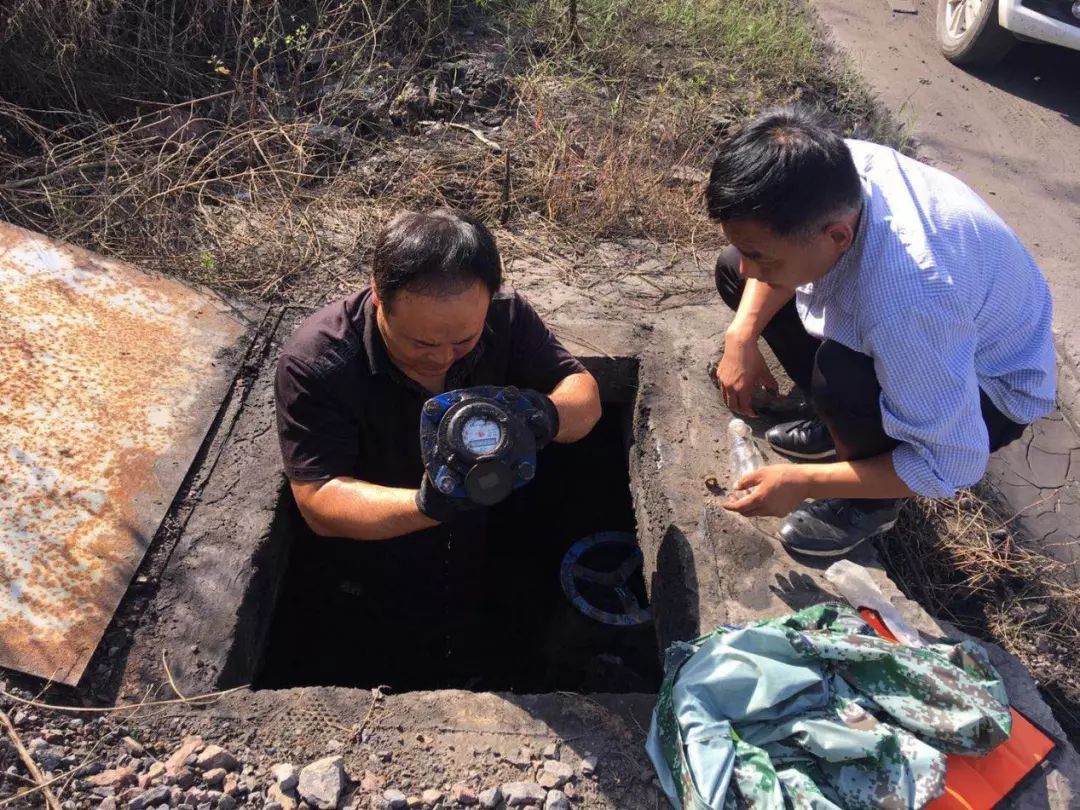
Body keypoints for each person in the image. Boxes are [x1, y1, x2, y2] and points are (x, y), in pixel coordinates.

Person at [273, 209, 601, 686]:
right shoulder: (316, 363)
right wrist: (429, 506)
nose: (443, 357)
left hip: (483, 553)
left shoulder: (506, 315)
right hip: (370, 569)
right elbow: (318, 500)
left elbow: (583, 395)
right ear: (378, 295)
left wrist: (544, 416)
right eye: (421, 344)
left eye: (464, 340)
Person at [708, 106, 1055, 557]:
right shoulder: (828, 169)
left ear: (836, 238)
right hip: (935, 329)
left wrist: (803, 484)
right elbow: (752, 268)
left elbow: (952, 463)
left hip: (987, 387)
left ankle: (870, 504)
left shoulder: (910, 303)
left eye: (764, 258)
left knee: (840, 377)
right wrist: (741, 335)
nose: (751, 267)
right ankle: (842, 432)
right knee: (731, 272)